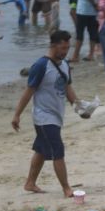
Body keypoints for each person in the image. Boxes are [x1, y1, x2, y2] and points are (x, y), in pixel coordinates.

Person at [12, 30, 82, 197]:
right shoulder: (40, 66)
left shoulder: (64, 65)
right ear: (53, 45)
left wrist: (80, 107)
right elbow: (28, 92)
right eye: (63, 48)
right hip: (43, 117)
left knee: (42, 150)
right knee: (58, 150)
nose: (65, 52)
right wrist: (17, 115)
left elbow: (67, 88)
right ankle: (66, 189)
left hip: (56, 116)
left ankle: (30, 183)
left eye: (68, 48)